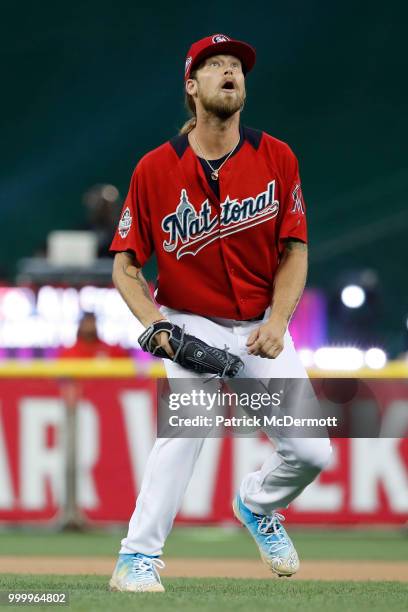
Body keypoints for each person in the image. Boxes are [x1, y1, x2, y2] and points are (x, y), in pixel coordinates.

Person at [109, 34, 331, 593]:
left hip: (259, 322)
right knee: (187, 427)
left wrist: (279, 321)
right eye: (216, 66)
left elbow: (295, 250)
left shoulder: (277, 157)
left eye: (236, 66)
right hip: (190, 323)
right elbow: (125, 266)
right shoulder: (155, 169)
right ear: (193, 86)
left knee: (311, 450)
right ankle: (136, 558)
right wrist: (156, 326)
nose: (230, 72)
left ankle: (257, 504)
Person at [58, 312, 128, 358]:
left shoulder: (111, 350)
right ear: (80, 325)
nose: (89, 325)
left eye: (92, 322)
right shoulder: (69, 353)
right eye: (86, 322)